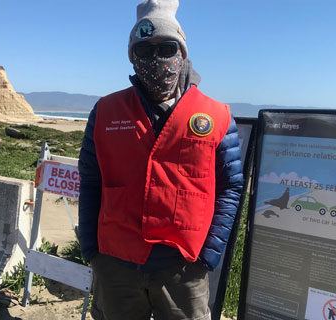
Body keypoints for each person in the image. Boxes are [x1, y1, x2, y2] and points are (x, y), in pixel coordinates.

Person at [78, 1, 244, 319]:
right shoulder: (104, 112)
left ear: (181, 52)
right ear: (132, 56)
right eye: (144, 51)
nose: (156, 60)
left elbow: (231, 187)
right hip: (115, 264)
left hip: (185, 268)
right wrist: (91, 249)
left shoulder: (217, 115)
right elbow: (91, 179)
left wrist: (209, 253)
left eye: (166, 48)